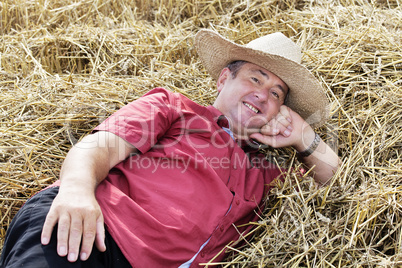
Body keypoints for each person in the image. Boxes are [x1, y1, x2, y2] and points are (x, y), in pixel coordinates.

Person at [0, 29, 340, 268]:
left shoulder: (264, 175)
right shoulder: (174, 108)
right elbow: (98, 147)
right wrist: (76, 192)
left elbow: (338, 187)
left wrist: (303, 136)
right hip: (92, 232)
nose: (262, 95)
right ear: (224, 79)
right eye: (255, 78)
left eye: (276, 93)